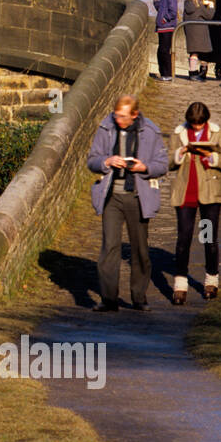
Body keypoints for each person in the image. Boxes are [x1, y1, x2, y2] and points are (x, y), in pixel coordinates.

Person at [86, 94, 168, 311]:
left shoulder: (150, 131)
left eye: (123, 116)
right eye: (116, 115)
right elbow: (92, 160)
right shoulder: (106, 127)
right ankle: (109, 299)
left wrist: (144, 168)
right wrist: (107, 161)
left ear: (135, 115)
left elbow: (163, 165)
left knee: (140, 248)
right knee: (109, 246)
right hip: (112, 195)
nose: (118, 119)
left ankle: (139, 298)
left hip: (137, 196)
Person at [168, 101, 221, 304]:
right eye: (193, 124)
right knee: (183, 239)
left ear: (205, 121)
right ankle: (180, 285)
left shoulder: (216, 132)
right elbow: (169, 162)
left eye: (200, 124)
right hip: (186, 195)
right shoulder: (179, 133)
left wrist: (212, 157)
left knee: (208, 238)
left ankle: (211, 280)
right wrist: (180, 153)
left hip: (209, 197)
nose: (196, 128)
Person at [181, 0, 214, 81]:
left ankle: (192, 73)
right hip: (201, 32)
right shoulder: (199, 5)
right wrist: (211, 5)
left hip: (190, 32)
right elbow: (209, 16)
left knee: (193, 53)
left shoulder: (187, 5)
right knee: (204, 53)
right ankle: (200, 73)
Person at [150, 0, 178, 81]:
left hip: (167, 27)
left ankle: (167, 74)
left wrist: (163, 20)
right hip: (162, 27)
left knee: (164, 51)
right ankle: (163, 73)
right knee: (161, 51)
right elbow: (160, 9)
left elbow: (173, 12)